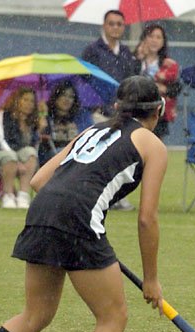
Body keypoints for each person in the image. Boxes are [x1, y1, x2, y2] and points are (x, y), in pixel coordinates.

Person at [0, 76, 168, 332]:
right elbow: (147, 219)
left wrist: (72, 218)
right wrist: (151, 279)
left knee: (35, 315)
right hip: (79, 221)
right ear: (157, 111)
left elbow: (37, 182)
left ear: (117, 107)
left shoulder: (91, 131)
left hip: (43, 212)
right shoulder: (152, 145)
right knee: (113, 315)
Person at [82, 9, 139, 211]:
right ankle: (96, 196)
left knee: (120, 156)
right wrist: (96, 104)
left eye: (119, 24)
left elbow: (131, 82)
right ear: (104, 26)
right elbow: (85, 80)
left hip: (121, 114)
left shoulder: (126, 54)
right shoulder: (92, 50)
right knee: (100, 158)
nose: (115, 27)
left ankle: (115, 195)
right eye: (111, 23)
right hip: (99, 114)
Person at [0, 87, 46, 209]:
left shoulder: (32, 120)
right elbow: (0, 140)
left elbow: (33, 146)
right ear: (17, 100)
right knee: (10, 157)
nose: (29, 104)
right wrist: (17, 160)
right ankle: (8, 196)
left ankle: (23, 195)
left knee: (30, 153)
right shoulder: (4, 115)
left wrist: (40, 128)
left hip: (20, 153)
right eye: (25, 100)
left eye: (32, 101)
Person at [135, 23, 180, 140]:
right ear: (144, 38)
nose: (154, 40)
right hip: (136, 110)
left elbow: (176, 88)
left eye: (158, 37)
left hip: (158, 113)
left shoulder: (168, 64)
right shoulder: (135, 60)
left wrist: (165, 89)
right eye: (151, 36)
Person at [38, 82, 94, 167]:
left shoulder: (80, 117)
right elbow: (38, 139)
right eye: (63, 95)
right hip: (51, 158)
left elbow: (88, 137)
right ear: (56, 97)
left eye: (71, 96)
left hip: (76, 155)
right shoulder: (47, 115)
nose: (67, 99)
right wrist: (42, 118)